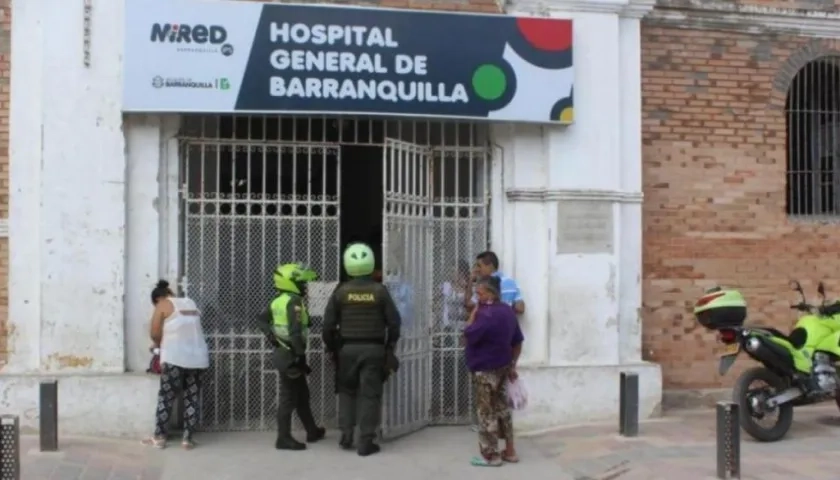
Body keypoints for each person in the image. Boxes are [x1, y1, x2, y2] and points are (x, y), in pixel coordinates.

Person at [323, 242, 402, 457]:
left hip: (347, 349)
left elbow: (328, 325)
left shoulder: (341, 291)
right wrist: (389, 347)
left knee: (346, 391)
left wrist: (332, 349)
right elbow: (394, 322)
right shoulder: (379, 291)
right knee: (369, 394)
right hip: (373, 349)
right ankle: (366, 440)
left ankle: (346, 434)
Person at [256, 263, 326, 450]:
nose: (304, 286)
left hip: (284, 353)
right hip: (291, 356)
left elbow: (261, 320)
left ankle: (312, 430)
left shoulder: (277, 300)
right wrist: (300, 357)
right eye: (301, 283)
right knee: (288, 398)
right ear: (290, 283)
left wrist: (273, 338)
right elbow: (295, 332)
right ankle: (283, 438)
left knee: (302, 395)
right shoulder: (293, 302)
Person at [142, 280, 210, 450]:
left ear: (158, 299)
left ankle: (159, 438)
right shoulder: (190, 302)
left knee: (166, 397)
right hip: (198, 358)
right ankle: (187, 440)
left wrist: (157, 343)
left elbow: (154, 332)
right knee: (192, 397)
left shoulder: (163, 304)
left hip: (175, 357)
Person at [464, 276, 523, 467]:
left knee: (486, 412)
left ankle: (491, 455)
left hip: (485, 369)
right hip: (503, 367)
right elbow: (517, 341)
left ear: (490, 293)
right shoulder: (508, 311)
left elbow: (468, 334)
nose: (477, 297)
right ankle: (510, 451)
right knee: (502, 409)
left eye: (479, 293)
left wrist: (474, 313)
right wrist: (513, 365)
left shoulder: (484, 314)